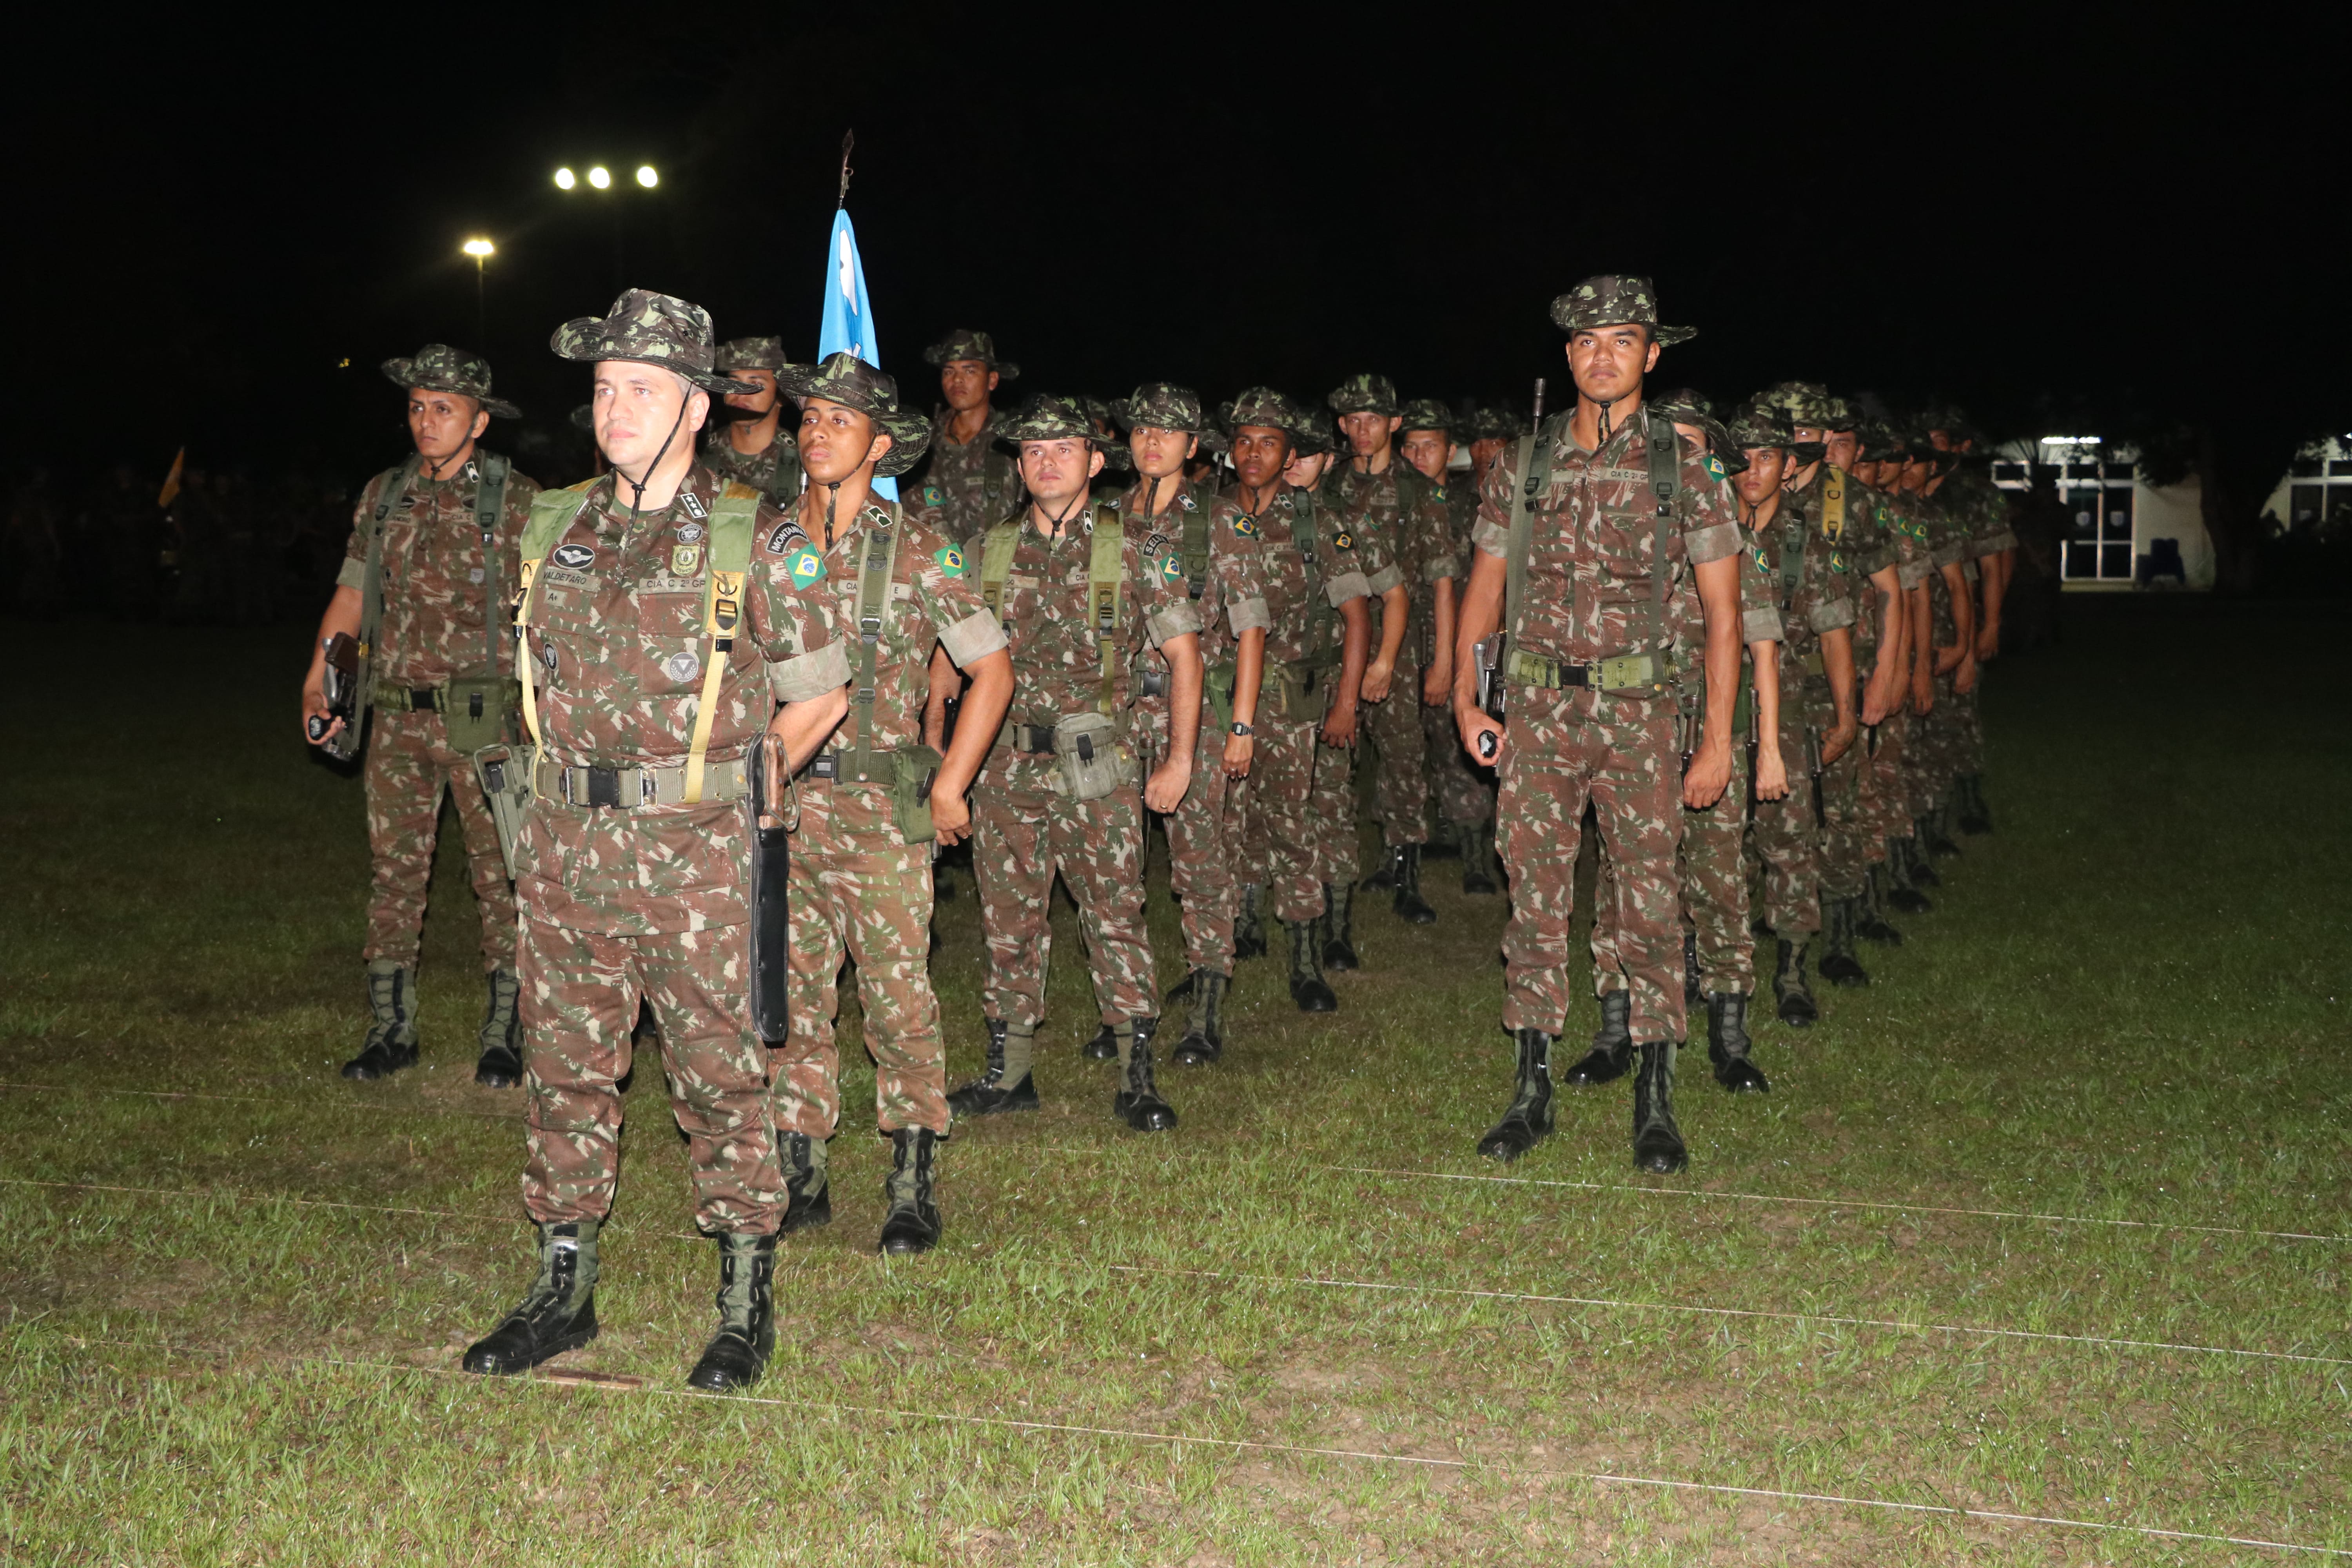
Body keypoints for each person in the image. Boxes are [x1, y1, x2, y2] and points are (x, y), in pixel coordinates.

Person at [459, 290, 799, 1391]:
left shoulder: (755, 532)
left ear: (696, 406)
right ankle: (565, 1288)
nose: (616, 408)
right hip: (564, 849)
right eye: (604, 389)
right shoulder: (552, 525)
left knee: (719, 1075)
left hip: (694, 854)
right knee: (567, 1070)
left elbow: (824, 687)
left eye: (642, 389)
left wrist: (743, 785)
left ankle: (745, 1299)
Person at [1452, 277, 1745, 1174]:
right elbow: (1485, 589)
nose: (1603, 356)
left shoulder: (1684, 469)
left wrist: (1714, 738)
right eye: (1586, 342)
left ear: (1652, 355)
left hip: (1640, 715)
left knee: (1650, 901)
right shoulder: (1525, 463)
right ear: (1568, 356)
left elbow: (1724, 614)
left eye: (1622, 340)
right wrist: (1470, 696)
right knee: (1533, 897)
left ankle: (1656, 1097)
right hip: (1539, 713)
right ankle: (1530, 1089)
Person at [760, 352, 1013, 1257]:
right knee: (789, 997)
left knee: (899, 995)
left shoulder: (918, 547)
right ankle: (802, 1162)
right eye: (811, 418)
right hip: (783, 802)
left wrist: (948, 783)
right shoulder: (768, 541)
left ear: (879, 444)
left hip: (884, 799)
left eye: (840, 419)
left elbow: (993, 668)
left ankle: (911, 1171)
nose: (817, 430)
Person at [949, 395, 1203, 1132]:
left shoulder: (1138, 547)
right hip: (1008, 769)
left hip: (1099, 769)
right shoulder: (985, 550)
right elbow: (950, 664)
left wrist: (1179, 759)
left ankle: (1137, 1072)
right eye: (1032, 451)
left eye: (1063, 448)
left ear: (1096, 461)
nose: (1046, 461)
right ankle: (1011, 1072)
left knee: (1116, 915)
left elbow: (1183, 655)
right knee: (1009, 922)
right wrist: (948, 764)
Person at [302, 344, 540, 1087]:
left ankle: (506, 1034)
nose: (426, 421)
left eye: (443, 409)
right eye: (417, 406)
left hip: (485, 720)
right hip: (398, 715)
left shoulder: (519, 498)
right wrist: (319, 681)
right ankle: (390, 1030)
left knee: (503, 878)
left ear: (478, 421)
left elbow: (546, 610)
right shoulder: (385, 494)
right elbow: (352, 593)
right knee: (395, 876)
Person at [1583, 393, 1786, 1094]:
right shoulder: (1622, 535)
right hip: (1630, 739)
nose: (1682, 456)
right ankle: (1616, 1029)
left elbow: (1760, 650)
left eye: (1695, 446)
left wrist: (1754, 749)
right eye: (1672, 443)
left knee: (1719, 884)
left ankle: (1730, 1038)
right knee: (1618, 883)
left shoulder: (1728, 537)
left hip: (1709, 734)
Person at [1110, 384, 1269, 1065]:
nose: (1153, 441)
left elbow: (1252, 628)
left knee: (1200, 862)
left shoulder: (1220, 521)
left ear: (1193, 446)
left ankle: (1207, 1006)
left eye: (1168, 432)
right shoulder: (1108, 519)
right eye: (1143, 429)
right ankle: (1126, 1005)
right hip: (1120, 715)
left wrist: (1241, 728)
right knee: (1115, 863)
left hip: (1195, 713)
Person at [1216, 388, 1381, 1010]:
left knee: (1292, 823)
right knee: (1232, 825)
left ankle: (1306, 961)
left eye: (1269, 443)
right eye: (1244, 441)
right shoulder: (1209, 516)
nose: (1254, 453)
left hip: (1290, 701)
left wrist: (1345, 703)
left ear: (1289, 454)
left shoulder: (1314, 520)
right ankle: (1241, 931)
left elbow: (1357, 616)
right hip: (1220, 699)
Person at [1728, 404, 1858, 1028]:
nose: (1753, 472)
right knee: (1719, 844)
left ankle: (1792, 971)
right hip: (1719, 711)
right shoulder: (1707, 534)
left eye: (1767, 459)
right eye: (1743, 460)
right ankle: (1716, 965)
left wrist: (1847, 715)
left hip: (1792, 713)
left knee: (1789, 843)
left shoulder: (1809, 542)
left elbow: (1836, 636)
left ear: (1787, 468)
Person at [1322, 375, 1430, 924]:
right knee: (1336, 754)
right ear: (1342, 425)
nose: (1362, 430)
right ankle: (1334, 869)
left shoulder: (1419, 488)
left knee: (1402, 756)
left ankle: (1406, 867)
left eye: (1373, 419)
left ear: (1395, 423)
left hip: (1400, 640)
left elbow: (1443, 577)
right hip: (1336, 640)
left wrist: (1441, 660)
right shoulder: (1329, 485)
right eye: (1352, 420)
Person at [903, 328, 1024, 540]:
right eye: (949, 371)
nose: (957, 380)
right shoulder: (920, 442)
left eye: (969, 371)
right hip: (935, 567)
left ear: (992, 380)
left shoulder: (1014, 440)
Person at [700, 336, 802, 505]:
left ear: (781, 397)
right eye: (734, 383)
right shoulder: (699, 452)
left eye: (755, 384)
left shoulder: (802, 461)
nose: (742, 392)